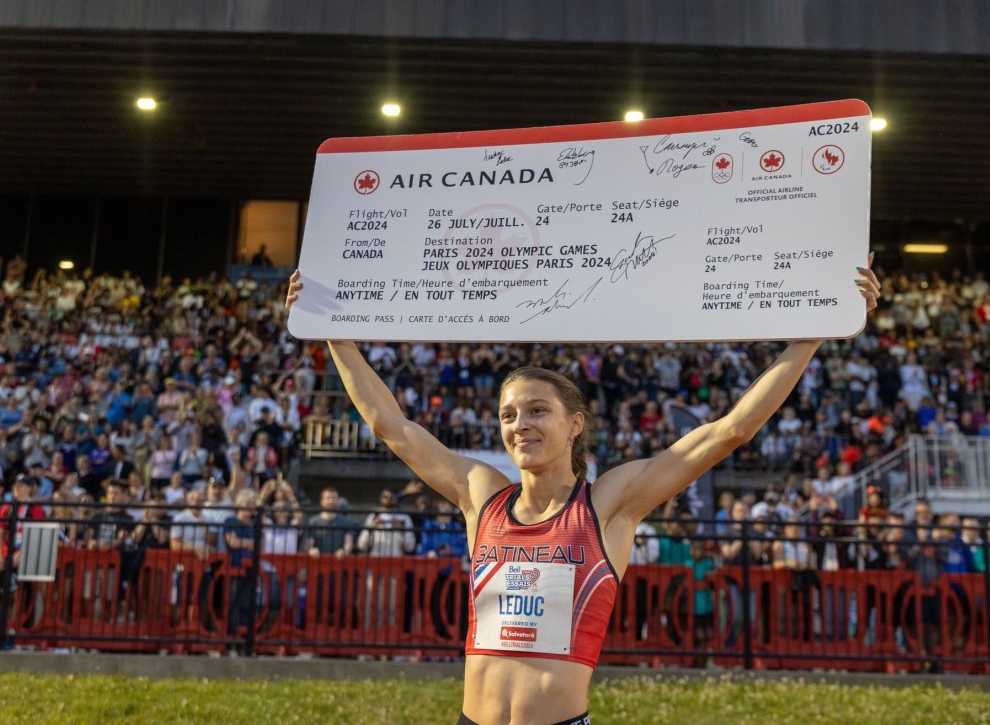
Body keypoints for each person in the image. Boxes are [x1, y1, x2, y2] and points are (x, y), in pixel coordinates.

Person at [287, 260, 880, 725]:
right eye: (509, 414)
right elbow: (393, 428)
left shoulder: (609, 503)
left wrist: (811, 338)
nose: (520, 425)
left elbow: (729, 431)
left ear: (574, 424)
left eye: (538, 411)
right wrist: (332, 334)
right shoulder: (480, 495)